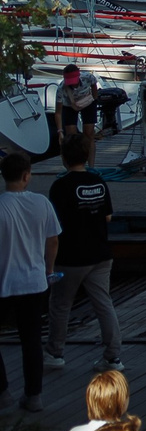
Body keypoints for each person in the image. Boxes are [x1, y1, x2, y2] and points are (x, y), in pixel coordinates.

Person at [46, 133, 118, 372]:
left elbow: (54, 224)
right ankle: (113, 357)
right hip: (100, 253)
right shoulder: (99, 182)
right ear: (87, 157)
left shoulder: (60, 186)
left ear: (64, 159)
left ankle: (55, 353)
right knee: (104, 304)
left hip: (71, 257)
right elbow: (107, 216)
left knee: (60, 305)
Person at [0, 150, 61, 412]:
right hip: (35, 282)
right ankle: (33, 395)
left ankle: (2, 392)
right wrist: (48, 270)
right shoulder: (42, 203)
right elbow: (53, 239)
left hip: (4, 283)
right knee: (32, 341)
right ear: (27, 176)